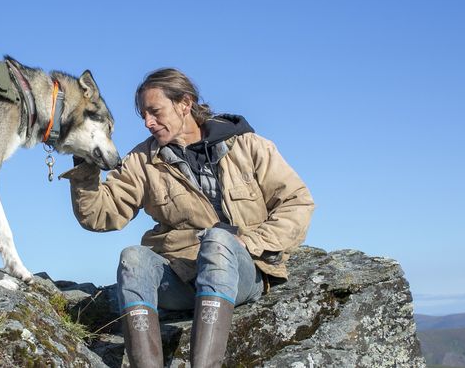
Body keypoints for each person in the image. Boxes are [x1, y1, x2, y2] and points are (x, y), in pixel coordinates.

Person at [60, 68, 314, 367]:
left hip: (243, 273)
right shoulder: (143, 161)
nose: (148, 123)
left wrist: (251, 242)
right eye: (143, 115)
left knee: (218, 240)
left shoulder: (249, 145)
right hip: (183, 278)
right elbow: (99, 215)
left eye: (155, 111)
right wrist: (85, 163)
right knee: (133, 257)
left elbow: (297, 203)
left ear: (185, 103)